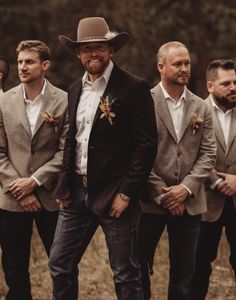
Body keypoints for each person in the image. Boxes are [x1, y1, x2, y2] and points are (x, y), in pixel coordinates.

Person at [48, 16, 157, 300]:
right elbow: (73, 140)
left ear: (110, 50)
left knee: (125, 271)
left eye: (99, 46)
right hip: (77, 192)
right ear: (77, 53)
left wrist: (127, 193)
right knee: (59, 263)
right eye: (87, 48)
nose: (93, 53)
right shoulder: (74, 89)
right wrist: (64, 185)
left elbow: (146, 146)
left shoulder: (133, 87)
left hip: (115, 194)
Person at [139, 41, 216, 300]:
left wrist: (185, 189)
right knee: (140, 266)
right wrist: (163, 194)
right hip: (149, 202)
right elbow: (136, 155)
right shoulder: (143, 102)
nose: (185, 68)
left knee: (185, 272)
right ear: (161, 67)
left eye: (187, 63)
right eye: (178, 63)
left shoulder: (201, 106)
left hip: (190, 202)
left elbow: (208, 154)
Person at [0, 40, 68, 300]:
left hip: (50, 196)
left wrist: (35, 181)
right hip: (12, 197)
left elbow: (65, 152)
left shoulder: (63, 100)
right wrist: (20, 187)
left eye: (29, 61)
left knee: (60, 263)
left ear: (45, 65)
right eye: (19, 62)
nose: (22, 67)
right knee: (14, 266)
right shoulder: (5, 101)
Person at [191, 59, 236, 300]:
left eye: (235, 82)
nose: (233, 88)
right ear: (210, 86)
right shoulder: (196, 111)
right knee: (199, 264)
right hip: (207, 202)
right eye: (226, 83)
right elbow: (190, 153)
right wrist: (216, 181)